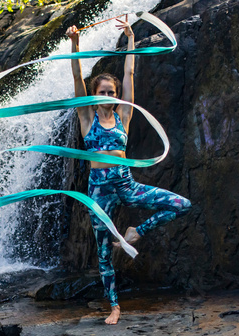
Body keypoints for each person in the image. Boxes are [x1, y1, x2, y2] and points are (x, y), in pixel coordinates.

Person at [65, 17, 192, 325]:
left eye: (111, 93)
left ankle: (136, 232)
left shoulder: (124, 115)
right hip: (99, 191)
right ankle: (114, 306)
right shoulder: (86, 117)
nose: (107, 97)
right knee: (105, 251)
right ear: (94, 95)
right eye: (102, 93)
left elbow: (130, 71)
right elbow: (77, 77)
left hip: (125, 184)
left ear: (116, 95)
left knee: (181, 205)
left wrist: (131, 37)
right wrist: (74, 44)